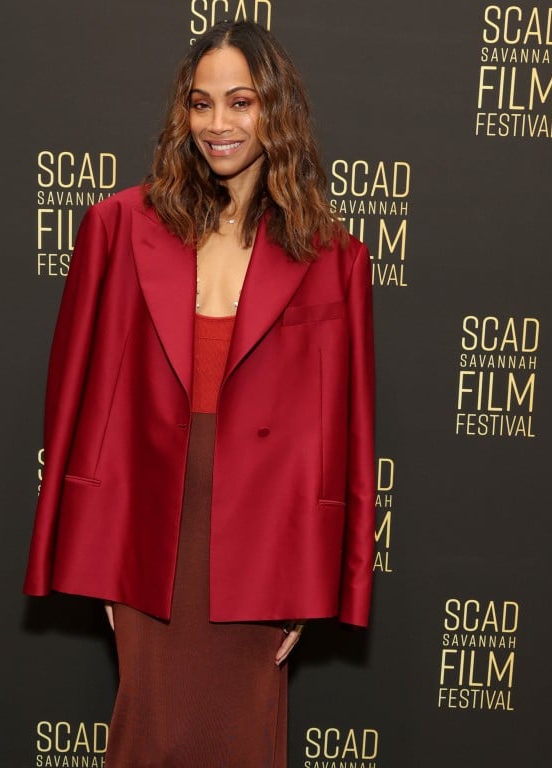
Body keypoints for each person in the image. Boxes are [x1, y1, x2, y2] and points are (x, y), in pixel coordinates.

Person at [24, 21, 375, 768]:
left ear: (275, 111)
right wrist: (97, 556)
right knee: (151, 732)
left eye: (240, 102)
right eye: (201, 103)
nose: (218, 124)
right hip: (152, 527)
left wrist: (317, 581)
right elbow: (75, 404)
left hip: (264, 544)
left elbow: (345, 431)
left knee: (243, 739)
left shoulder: (334, 256)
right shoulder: (117, 229)